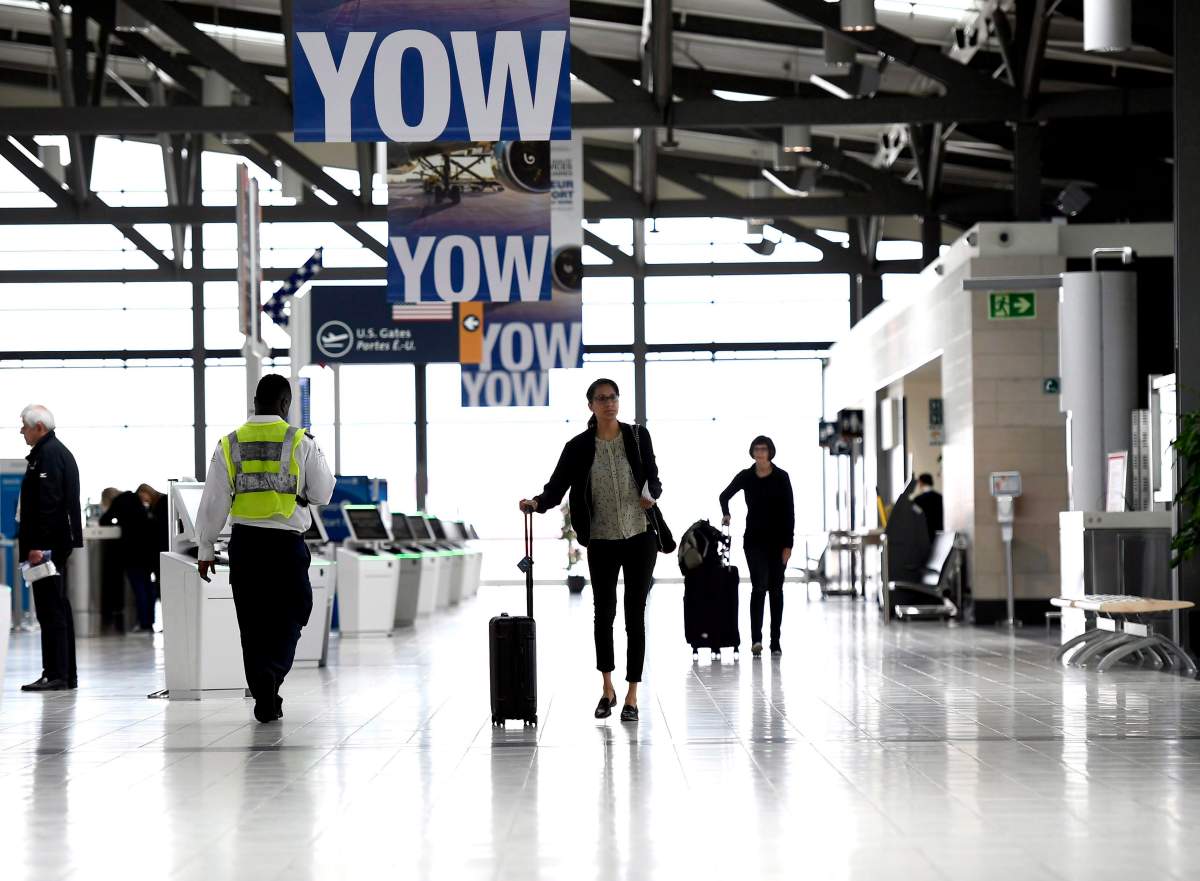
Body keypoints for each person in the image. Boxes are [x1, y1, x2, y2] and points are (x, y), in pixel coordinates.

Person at [519, 378, 664, 723]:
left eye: (613, 397)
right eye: (602, 399)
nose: (609, 403)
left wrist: (651, 492)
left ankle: (632, 694)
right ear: (591, 406)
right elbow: (556, 488)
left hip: (640, 535)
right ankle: (607, 687)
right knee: (604, 614)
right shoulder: (579, 446)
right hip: (601, 539)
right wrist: (536, 503)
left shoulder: (638, 437)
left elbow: (655, 478)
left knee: (635, 614)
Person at [194, 375, 335, 723]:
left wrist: (205, 547)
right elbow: (323, 493)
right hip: (286, 546)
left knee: (253, 623)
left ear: (255, 402)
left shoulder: (229, 443)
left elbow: (214, 501)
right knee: (294, 612)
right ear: (286, 405)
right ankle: (271, 678)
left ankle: (264, 690)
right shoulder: (301, 441)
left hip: (247, 546)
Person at [16, 404, 82, 692]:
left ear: (39, 427)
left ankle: (57, 674)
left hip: (48, 548)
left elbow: (49, 503)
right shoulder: (47, 454)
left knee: (51, 610)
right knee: (55, 609)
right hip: (51, 546)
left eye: (24, 426)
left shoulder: (50, 456)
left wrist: (39, 546)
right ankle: (61, 674)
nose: (22, 431)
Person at [719, 435, 794, 658]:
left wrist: (789, 544)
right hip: (753, 541)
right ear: (752, 452)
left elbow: (790, 512)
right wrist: (726, 514)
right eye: (757, 449)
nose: (760, 453)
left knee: (776, 590)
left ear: (770, 452)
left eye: (764, 449)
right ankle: (756, 640)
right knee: (759, 587)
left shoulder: (782, 477)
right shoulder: (746, 476)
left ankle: (776, 641)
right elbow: (724, 496)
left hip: (779, 542)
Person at [99, 487, 154, 632]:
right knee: (147, 586)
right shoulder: (135, 499)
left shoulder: (118, 502)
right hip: (147, 550)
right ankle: (149, 621)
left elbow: (103, 520)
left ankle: (144, 624)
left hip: (132, 552)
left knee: (139, 587)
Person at [137, 483, 168, 618]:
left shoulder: (161, 503)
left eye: (142, 496)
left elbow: (159, 530)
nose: (143, 500)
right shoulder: (160, 502)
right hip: (162, 551)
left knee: (163, 587)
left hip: (161, 552)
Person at [913, 472, 944, 542]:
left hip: (924, 535)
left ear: (921, 482)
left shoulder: (918, 500)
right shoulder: (940, 498)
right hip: (939, 534)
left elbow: (915, 518)